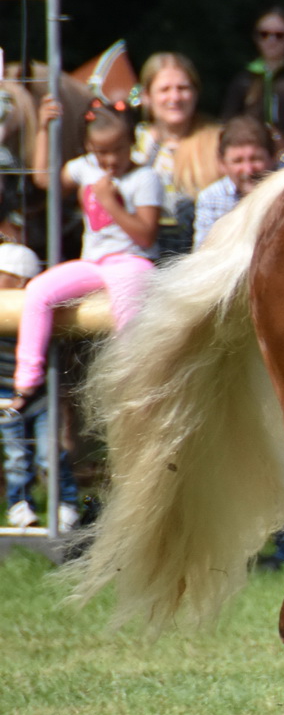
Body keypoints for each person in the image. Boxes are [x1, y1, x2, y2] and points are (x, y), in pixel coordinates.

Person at [6, 97, 162, 419]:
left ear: (131, 144)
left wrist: (110, 202)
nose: (108, 161)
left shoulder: (145, 178)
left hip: (132, 259)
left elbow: (145, 234)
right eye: (100, 152)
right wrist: (44, 130)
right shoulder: (84, 167)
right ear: (90, 148)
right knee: (38, 291)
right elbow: (44, 179)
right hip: (93, 262)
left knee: (128, 307)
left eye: (116, 151)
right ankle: (26, 382)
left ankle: (136, 385)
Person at [0, 243, 79, 529]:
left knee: (50, 453)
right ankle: (19, 505)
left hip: (41, 395)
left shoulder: (40, 309)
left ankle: (66, 504)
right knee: (17, 455)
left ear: (20, 281)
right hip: (6, 396)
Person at [133, 52, 223, 259]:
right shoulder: (132, 141)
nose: (174, 97)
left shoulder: (218, 140)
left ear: (195, 93)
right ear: (147, 96)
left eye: (182, 88)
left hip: (200, 253)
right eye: (165, 89)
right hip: (143, 255)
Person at [222, 7, 284, 161]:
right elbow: (229, 123)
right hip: (250, 158)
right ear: (256, 38)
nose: (271, 40)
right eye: (264, 34)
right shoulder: (244, 80)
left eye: (279, 35)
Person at [194, 117, 274, 249]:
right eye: (238, 161)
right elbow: (203, 251)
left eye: (256, 159)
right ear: (222, 164)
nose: (248, 170)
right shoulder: (211, 198)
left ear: (272, 158)